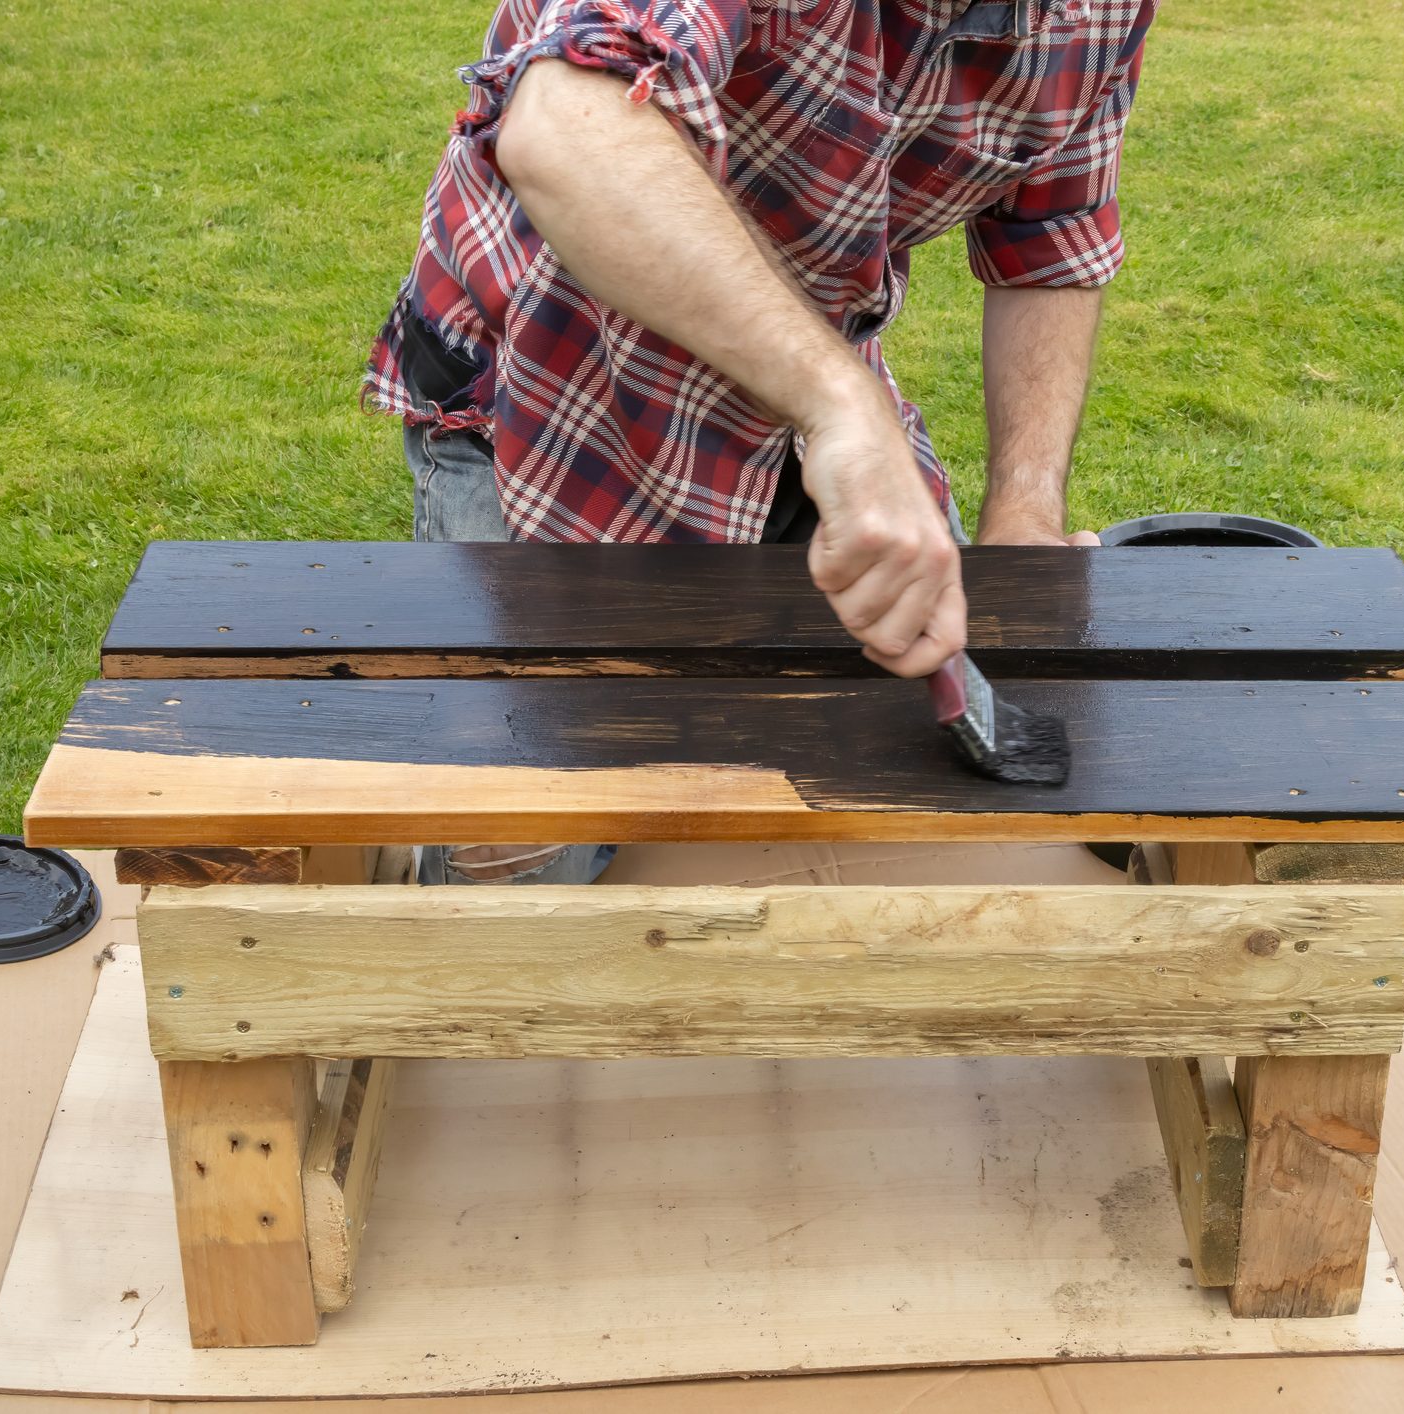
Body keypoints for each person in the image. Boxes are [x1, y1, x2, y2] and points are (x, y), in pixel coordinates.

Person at [363, 0, 1155, 884]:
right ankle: (416, 853)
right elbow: (563, 122)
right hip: (553, 395)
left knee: (909, 822)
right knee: (526, 895)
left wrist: (1026, 514)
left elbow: (1048, 241)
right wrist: (843, 411)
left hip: (799, 390)